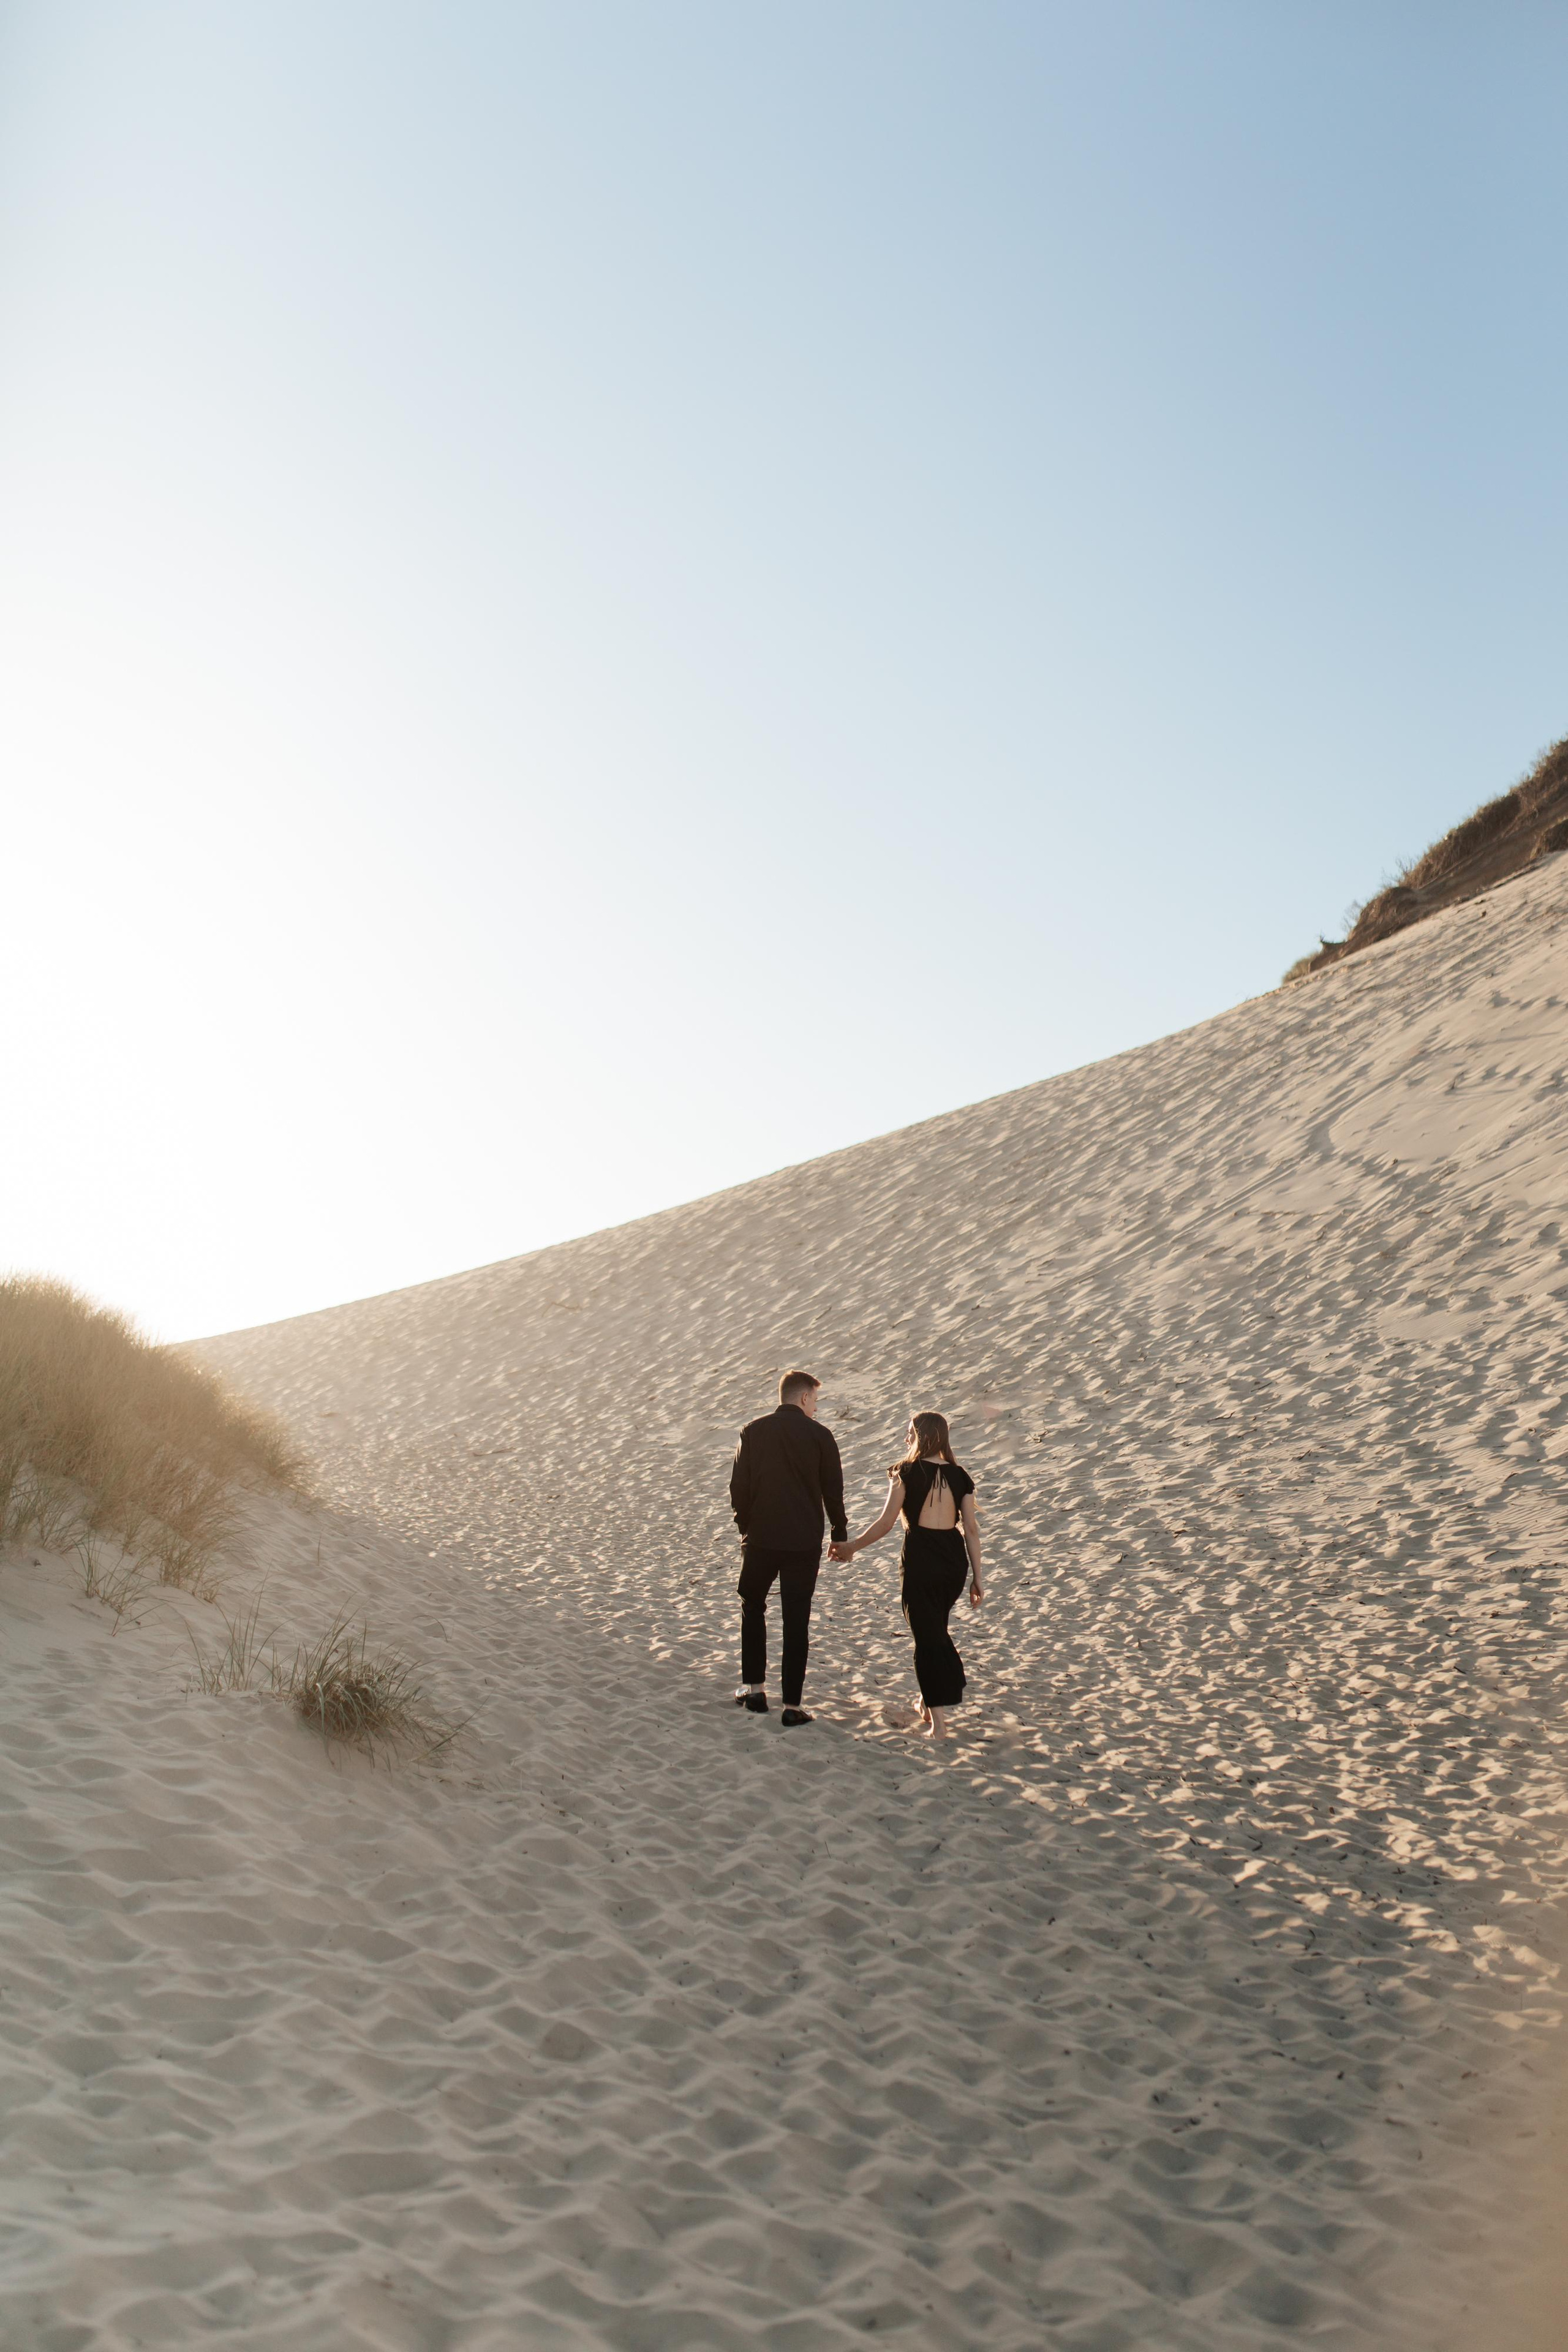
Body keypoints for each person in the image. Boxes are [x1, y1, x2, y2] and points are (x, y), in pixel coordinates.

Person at [832, 1410, 982, 1739]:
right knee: (933, 1629)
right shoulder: (961, 1476)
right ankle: (927, 1703)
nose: (906, 1439)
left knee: (927, 1638)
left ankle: (939, 1724)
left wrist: (853, 1547)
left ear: (922, 1436)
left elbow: (886, 1523)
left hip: (921, 1560)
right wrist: (977, 1577)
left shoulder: (905, 1472)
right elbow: (971, 1530)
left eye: (910, 1433)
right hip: (954, 1562)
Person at [729, 1370, 848, 1728]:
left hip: (761, 1540)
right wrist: (839, 1533)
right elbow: (833, 1491)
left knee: (753, 1606)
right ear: (804, 1398)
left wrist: (745, 1526)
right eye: (815, 1400)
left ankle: (755, 1691)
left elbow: (738, 1487)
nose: (816, 1408)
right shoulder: (821, 1436)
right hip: (803, 1543)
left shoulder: (753, 1431)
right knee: (797, 1620)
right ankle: (792, 1706)